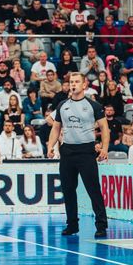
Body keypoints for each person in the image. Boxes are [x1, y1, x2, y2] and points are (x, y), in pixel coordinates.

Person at [47, 72, 109, 238]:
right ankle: (72, 224)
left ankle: (101, 225)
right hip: (67, 151)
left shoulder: (93, 105)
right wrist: (50, 146)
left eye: (76, 82)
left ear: (84, 85)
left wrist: (104, 148)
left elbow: (104, 127)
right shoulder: (62, 105)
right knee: (68, 190)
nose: (73, 84)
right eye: (71, 82)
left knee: (93, 189)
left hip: (86, 151)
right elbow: (56, 127)